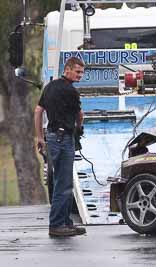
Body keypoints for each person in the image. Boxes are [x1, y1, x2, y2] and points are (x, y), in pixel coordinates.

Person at [34, 57, 86, 237]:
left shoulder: (49, 87)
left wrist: (40, 137)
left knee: (62, 182)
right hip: (63, 139)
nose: (80, 76)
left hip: (51, 136)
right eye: (78, 72)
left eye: (82, 73)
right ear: (68, 69)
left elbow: (38, 111)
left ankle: (66, 222)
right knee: (63, 184)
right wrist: (79, 129)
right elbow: (80, 115)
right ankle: (56, 225)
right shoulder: (71, 92)